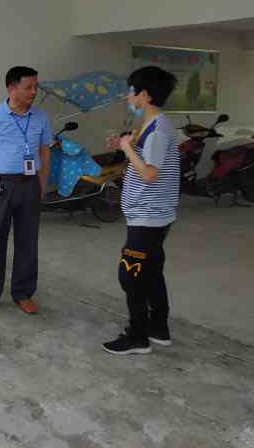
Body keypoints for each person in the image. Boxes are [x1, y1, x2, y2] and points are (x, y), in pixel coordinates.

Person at [102, 66, 180, 356]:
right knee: (151, 271)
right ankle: (158, 328)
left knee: (131, 274)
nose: (128, 97)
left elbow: (149, 173)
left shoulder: (157, 129)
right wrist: (126, 144)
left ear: (144, 95)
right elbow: (146, 159)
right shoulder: (153, 125)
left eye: (130, 91)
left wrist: (127, 147)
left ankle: (137, 336)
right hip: (152, 214)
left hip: (148, 216)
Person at [0, 66, 52, 315]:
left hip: (29, 185)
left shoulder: (41, 117)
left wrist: (42, 184)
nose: (34, 91)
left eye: (36, 86)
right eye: (28, 87)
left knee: (28, 241)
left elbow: (45, 152)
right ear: (11, 88)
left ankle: (23, 293)